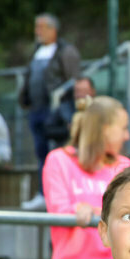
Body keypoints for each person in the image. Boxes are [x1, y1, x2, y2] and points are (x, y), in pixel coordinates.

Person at [43, 96, 130, 259]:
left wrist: (92, 211)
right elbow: (59, 209)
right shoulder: (59, 160)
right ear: (104, 129)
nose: (127, 136)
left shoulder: (124, 165)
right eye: (123, 128)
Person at [20, 13, 82, 210]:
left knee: (58, 153)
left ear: (53, 29)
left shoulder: (66, 51)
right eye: (36, 27)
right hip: (36, 110)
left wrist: (63, 102)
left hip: (56, 113)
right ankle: (42, 193)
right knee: (40, 153)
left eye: (41, 27)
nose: (37, 31)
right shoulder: (37, 51)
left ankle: (58, 194)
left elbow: (75, 80)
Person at [44, 76, 97, 147]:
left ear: (92, 91)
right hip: (68, 150)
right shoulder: (64, 108)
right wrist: (67, 130)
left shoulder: (100, 109)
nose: (80, 94)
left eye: (84, 91)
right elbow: (47, 131)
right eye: (77, 91)